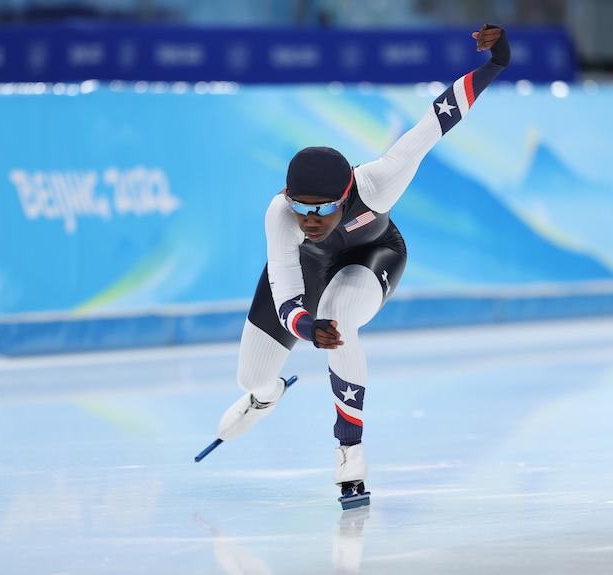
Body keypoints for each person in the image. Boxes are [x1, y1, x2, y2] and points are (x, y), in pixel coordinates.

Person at [215, 24, 511, 499]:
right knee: (251, 376)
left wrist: (495, 64)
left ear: (346, 194)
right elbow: (287, 293)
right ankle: (266, 396)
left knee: (339, 318)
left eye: (322, 208)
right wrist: (306, 328)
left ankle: (349, 450)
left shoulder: (379, 182)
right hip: (307, 273)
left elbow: (434, 123)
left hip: (373, 255)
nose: (309, 219)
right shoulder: (280, 216)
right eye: (301, 206)